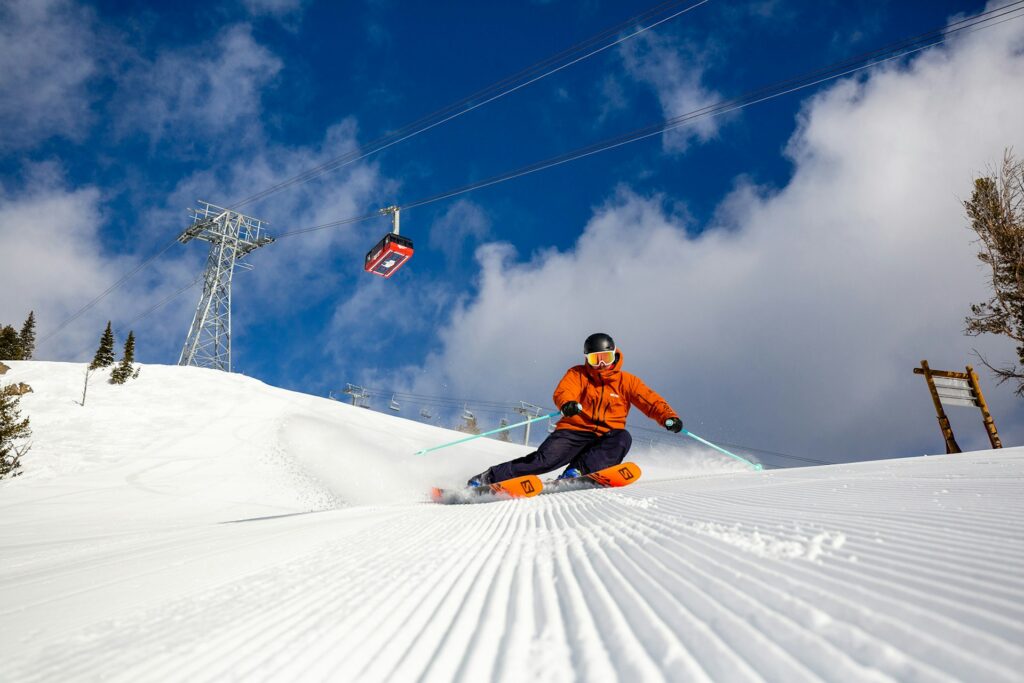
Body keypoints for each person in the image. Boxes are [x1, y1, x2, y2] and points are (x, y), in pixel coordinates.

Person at [468, 332, 683, 486]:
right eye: (594, 359)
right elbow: (564, 391)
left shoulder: (627, 382)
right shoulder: (578, 374)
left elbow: (649, 400)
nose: (600, 364)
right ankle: (488, 478)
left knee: (622, 438)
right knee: (543, 461)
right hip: (573, 430)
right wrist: (567, 404)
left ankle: (576, 471)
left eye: (605, 358)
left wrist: (668, 417)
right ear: (586, 358)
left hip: (605, 435)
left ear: (614, 355)